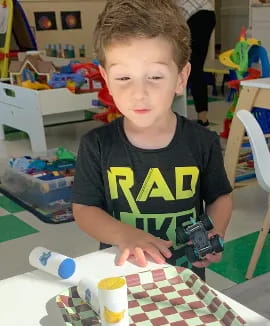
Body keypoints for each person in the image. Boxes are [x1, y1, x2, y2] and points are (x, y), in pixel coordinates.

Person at [71, 0, 232, 280]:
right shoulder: (95, 144)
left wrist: (214, 231)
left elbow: (220, 196)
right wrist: (126, 235)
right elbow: (85, 209)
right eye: (124, 77)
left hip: (184, 274)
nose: (139, 93)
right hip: (122, 270)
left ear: (181, 78)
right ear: (106, 79)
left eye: (155, 76)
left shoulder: (202, 142)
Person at [179, 0, 216, 126]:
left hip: (196, 15)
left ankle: (202, 116)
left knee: (193, 68)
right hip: (207, 13)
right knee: (195, 68)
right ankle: (203, 117)